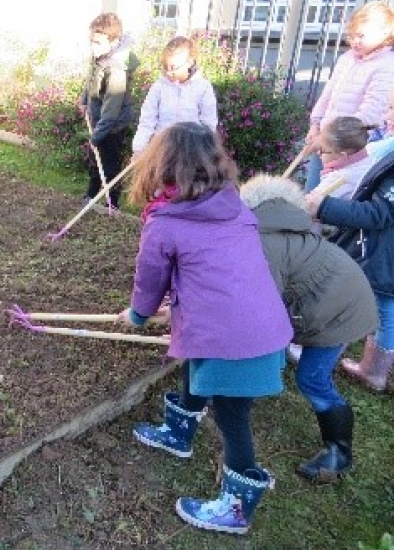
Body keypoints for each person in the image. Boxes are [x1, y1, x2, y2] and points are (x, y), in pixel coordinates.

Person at [120, 122, 292, 534]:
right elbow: (218, 271)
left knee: (233, 417)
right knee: (190, 359)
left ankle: (236, 506)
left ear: (160, 164)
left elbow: (150, 278)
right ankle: (178, 433)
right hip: (259, 325)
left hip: (234, 338)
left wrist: (138, 315)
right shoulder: (233, 205)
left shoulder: (166, 221)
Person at [241, 174, 378, 481]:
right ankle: (254, 389)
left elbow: (261, 300)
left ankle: (339, 453)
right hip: (339, 297)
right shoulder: (285, 227)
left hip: (339, 313)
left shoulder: (265, 241)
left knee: (312, 378)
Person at [306, 146, 394, 394]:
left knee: (346, 302)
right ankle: (373, 370)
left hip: (382, 252)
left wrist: (325, 207)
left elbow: (378, 213)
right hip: (384, 251)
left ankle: (318, 358)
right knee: (386, 306)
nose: (388, 114)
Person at [302, 2, 394, 191]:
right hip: (325, 138)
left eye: (361, 36)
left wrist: (330, 137)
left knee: (331, 196)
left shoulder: (386, 66)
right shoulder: (346, 59)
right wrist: (315, 125)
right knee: (310, 193)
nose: (355, 41)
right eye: (351, 35)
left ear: (385, 33)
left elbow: (370, 115)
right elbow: (327, 95)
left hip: (350, 149)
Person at [79, 12, 139, 208]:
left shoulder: (117, 70)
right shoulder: (100, 56)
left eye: (97, 43)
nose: (92, 47)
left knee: (109, 165)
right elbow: (90, 79)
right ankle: (91, 194)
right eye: (92, 42)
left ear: (113, 43)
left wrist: (97, 136)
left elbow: (111, 111)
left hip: (112, 125)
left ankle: (111, 203)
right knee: (95, 161)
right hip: (99, 119)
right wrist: (85, 99)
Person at [131, 36, 218, 157]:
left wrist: (205, 153)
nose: (168, 72)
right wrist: (138, 149)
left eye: (173, 68)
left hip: (191, 153)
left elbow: (208, 125)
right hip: (162, 151)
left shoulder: (203, 87)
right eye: (165, 67)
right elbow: (147, 120)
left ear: (190, 62)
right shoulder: (159, 87)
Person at [313, 116, 378, 199]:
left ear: (342, 156)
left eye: (322, 150)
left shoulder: (337, 179)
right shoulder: (371, 160)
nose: (318, 153)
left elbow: (309, 206)